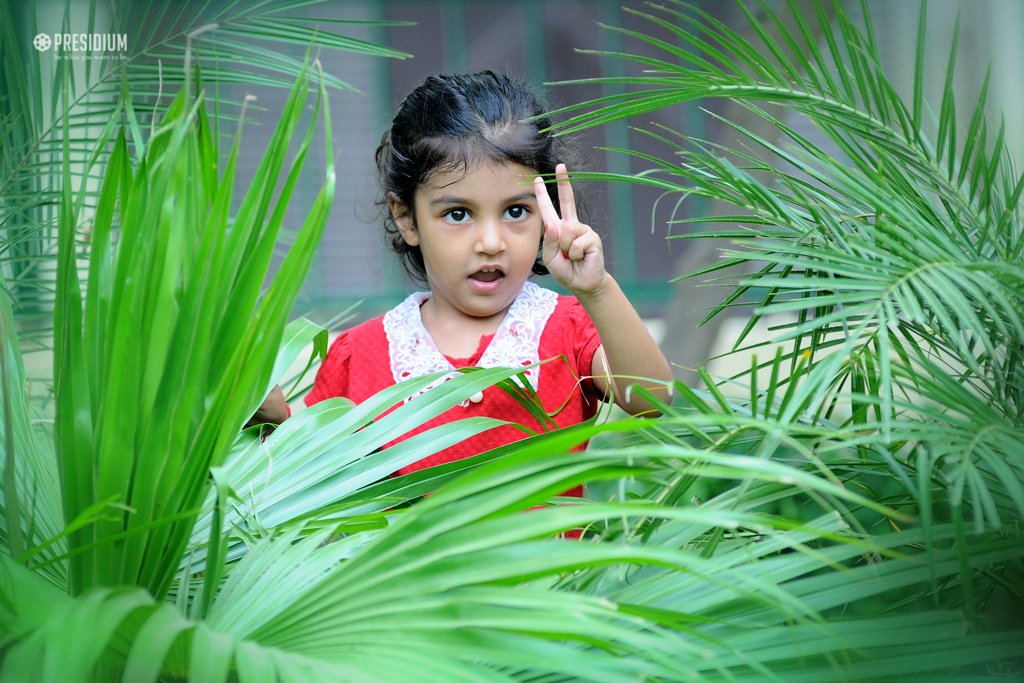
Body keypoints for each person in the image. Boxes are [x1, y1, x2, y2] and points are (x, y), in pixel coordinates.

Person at [253, 71, 671, 488]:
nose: (491, 242)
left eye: (515, 211)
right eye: (458, 214)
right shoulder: (358, 355)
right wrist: (277, 424)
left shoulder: (568, 329)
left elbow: (652, 399)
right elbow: (313, 481)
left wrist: (597, 290)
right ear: (407, 218)